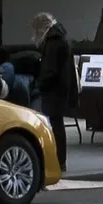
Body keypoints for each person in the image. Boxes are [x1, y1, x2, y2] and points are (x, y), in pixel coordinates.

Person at [32, 13, 78, 170]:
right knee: (57, 124)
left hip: (54, 90)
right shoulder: (60, 38)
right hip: (61, 88)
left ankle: (59, 160)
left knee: (56, 125)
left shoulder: (53, 42)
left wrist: (39, 85)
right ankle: (60, 160)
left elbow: (50, 70)